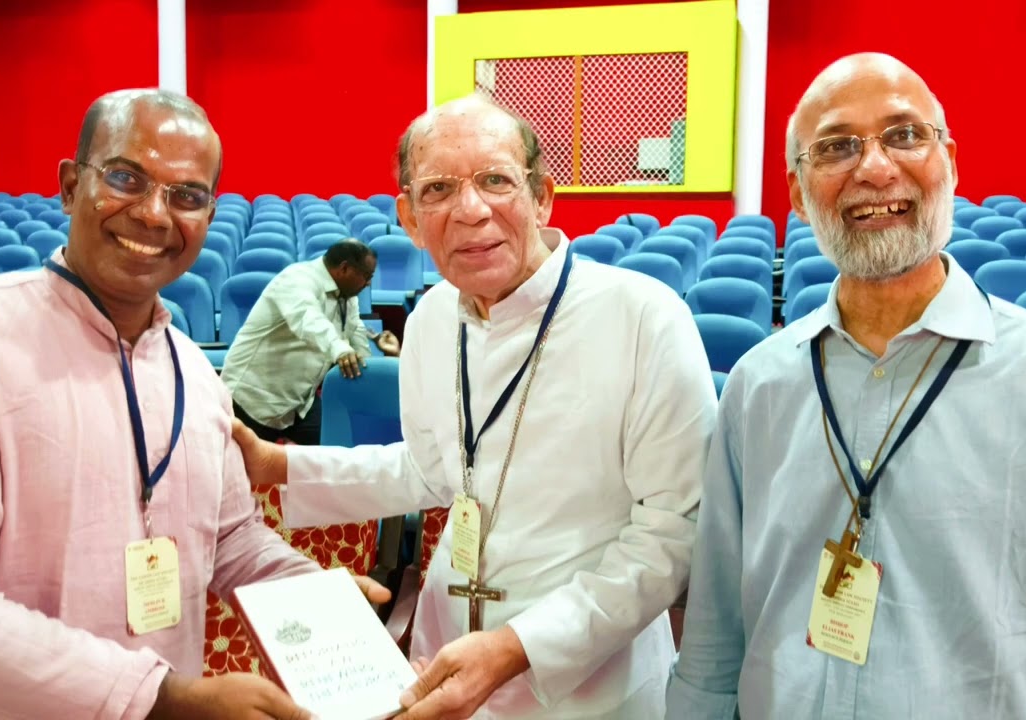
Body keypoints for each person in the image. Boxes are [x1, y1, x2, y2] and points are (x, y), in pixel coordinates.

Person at [665, 52, 1026, 718]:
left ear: (950, 163)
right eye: (837, 147)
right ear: (796, 192)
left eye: (904, 135)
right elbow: (714, 641)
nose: (875, 168)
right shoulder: (758, 386)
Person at [230, 94, 717, 719]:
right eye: (438, 189)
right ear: (410, 217)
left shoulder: (644, 317)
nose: (471, 210)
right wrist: (277, 464)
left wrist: (518, 647)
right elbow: (432, 469)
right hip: (442, 657)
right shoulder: (432, 317)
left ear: (541, 197)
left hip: (590, 680)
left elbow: (672, 530)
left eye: (495, 180)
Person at [0, 88, 387, 719]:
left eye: (187, 196)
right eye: (125, 178)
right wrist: (160, 697)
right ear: (70, 187)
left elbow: (230, 540)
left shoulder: (194, 372)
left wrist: (316, 594)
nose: (152, 214)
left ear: (208, 216)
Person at [222, 239, 401, 445]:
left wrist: (371, 365)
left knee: (335, 451)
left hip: (299, 403)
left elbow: (355, 331)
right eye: (367, 276)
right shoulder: (297, 279)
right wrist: (340, 349)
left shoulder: (348, 295)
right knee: (246, 464)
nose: (368, 283)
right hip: (252, 400)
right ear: (344, 268)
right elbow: (308, 320)